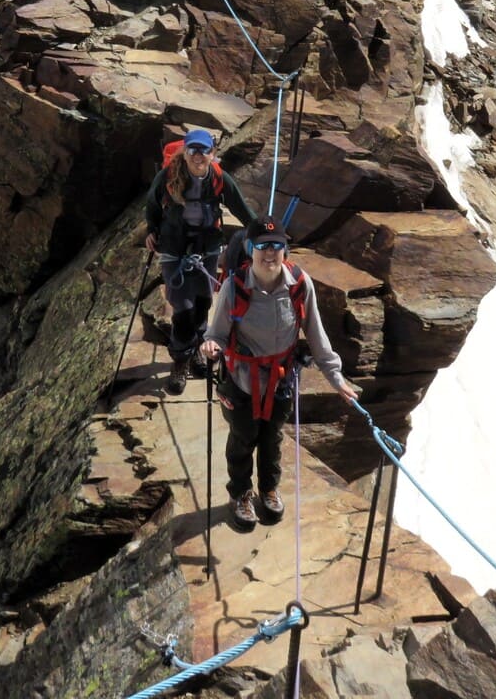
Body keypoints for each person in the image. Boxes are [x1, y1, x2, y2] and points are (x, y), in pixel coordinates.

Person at [201, 217, 360, 529]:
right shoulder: (235, 287)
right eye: (263, 246)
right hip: (242, 381)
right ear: (251, 249)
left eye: (277, 246)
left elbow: (316, 334)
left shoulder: (300, 284)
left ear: (285, 250)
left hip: (281, 381)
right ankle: (240, 494)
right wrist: (210, 346)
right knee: (243, 438)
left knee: (272, 439)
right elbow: (216, 334)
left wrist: (336, 378)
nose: (270, 252)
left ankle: (268, 489)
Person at [145, 128, 258, 395]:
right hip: (174, 248)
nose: (198, 155)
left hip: (206, 248)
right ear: (185, 153)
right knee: (183, 308)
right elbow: (152, 204)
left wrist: (263, 234)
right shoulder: (168, 176)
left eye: (203, 150)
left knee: (203, 302)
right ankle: (180, 360)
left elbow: (241, 208)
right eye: (193, 150)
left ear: (212, 153)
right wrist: (152, 230)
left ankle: (196, 349)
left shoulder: (219, 178)